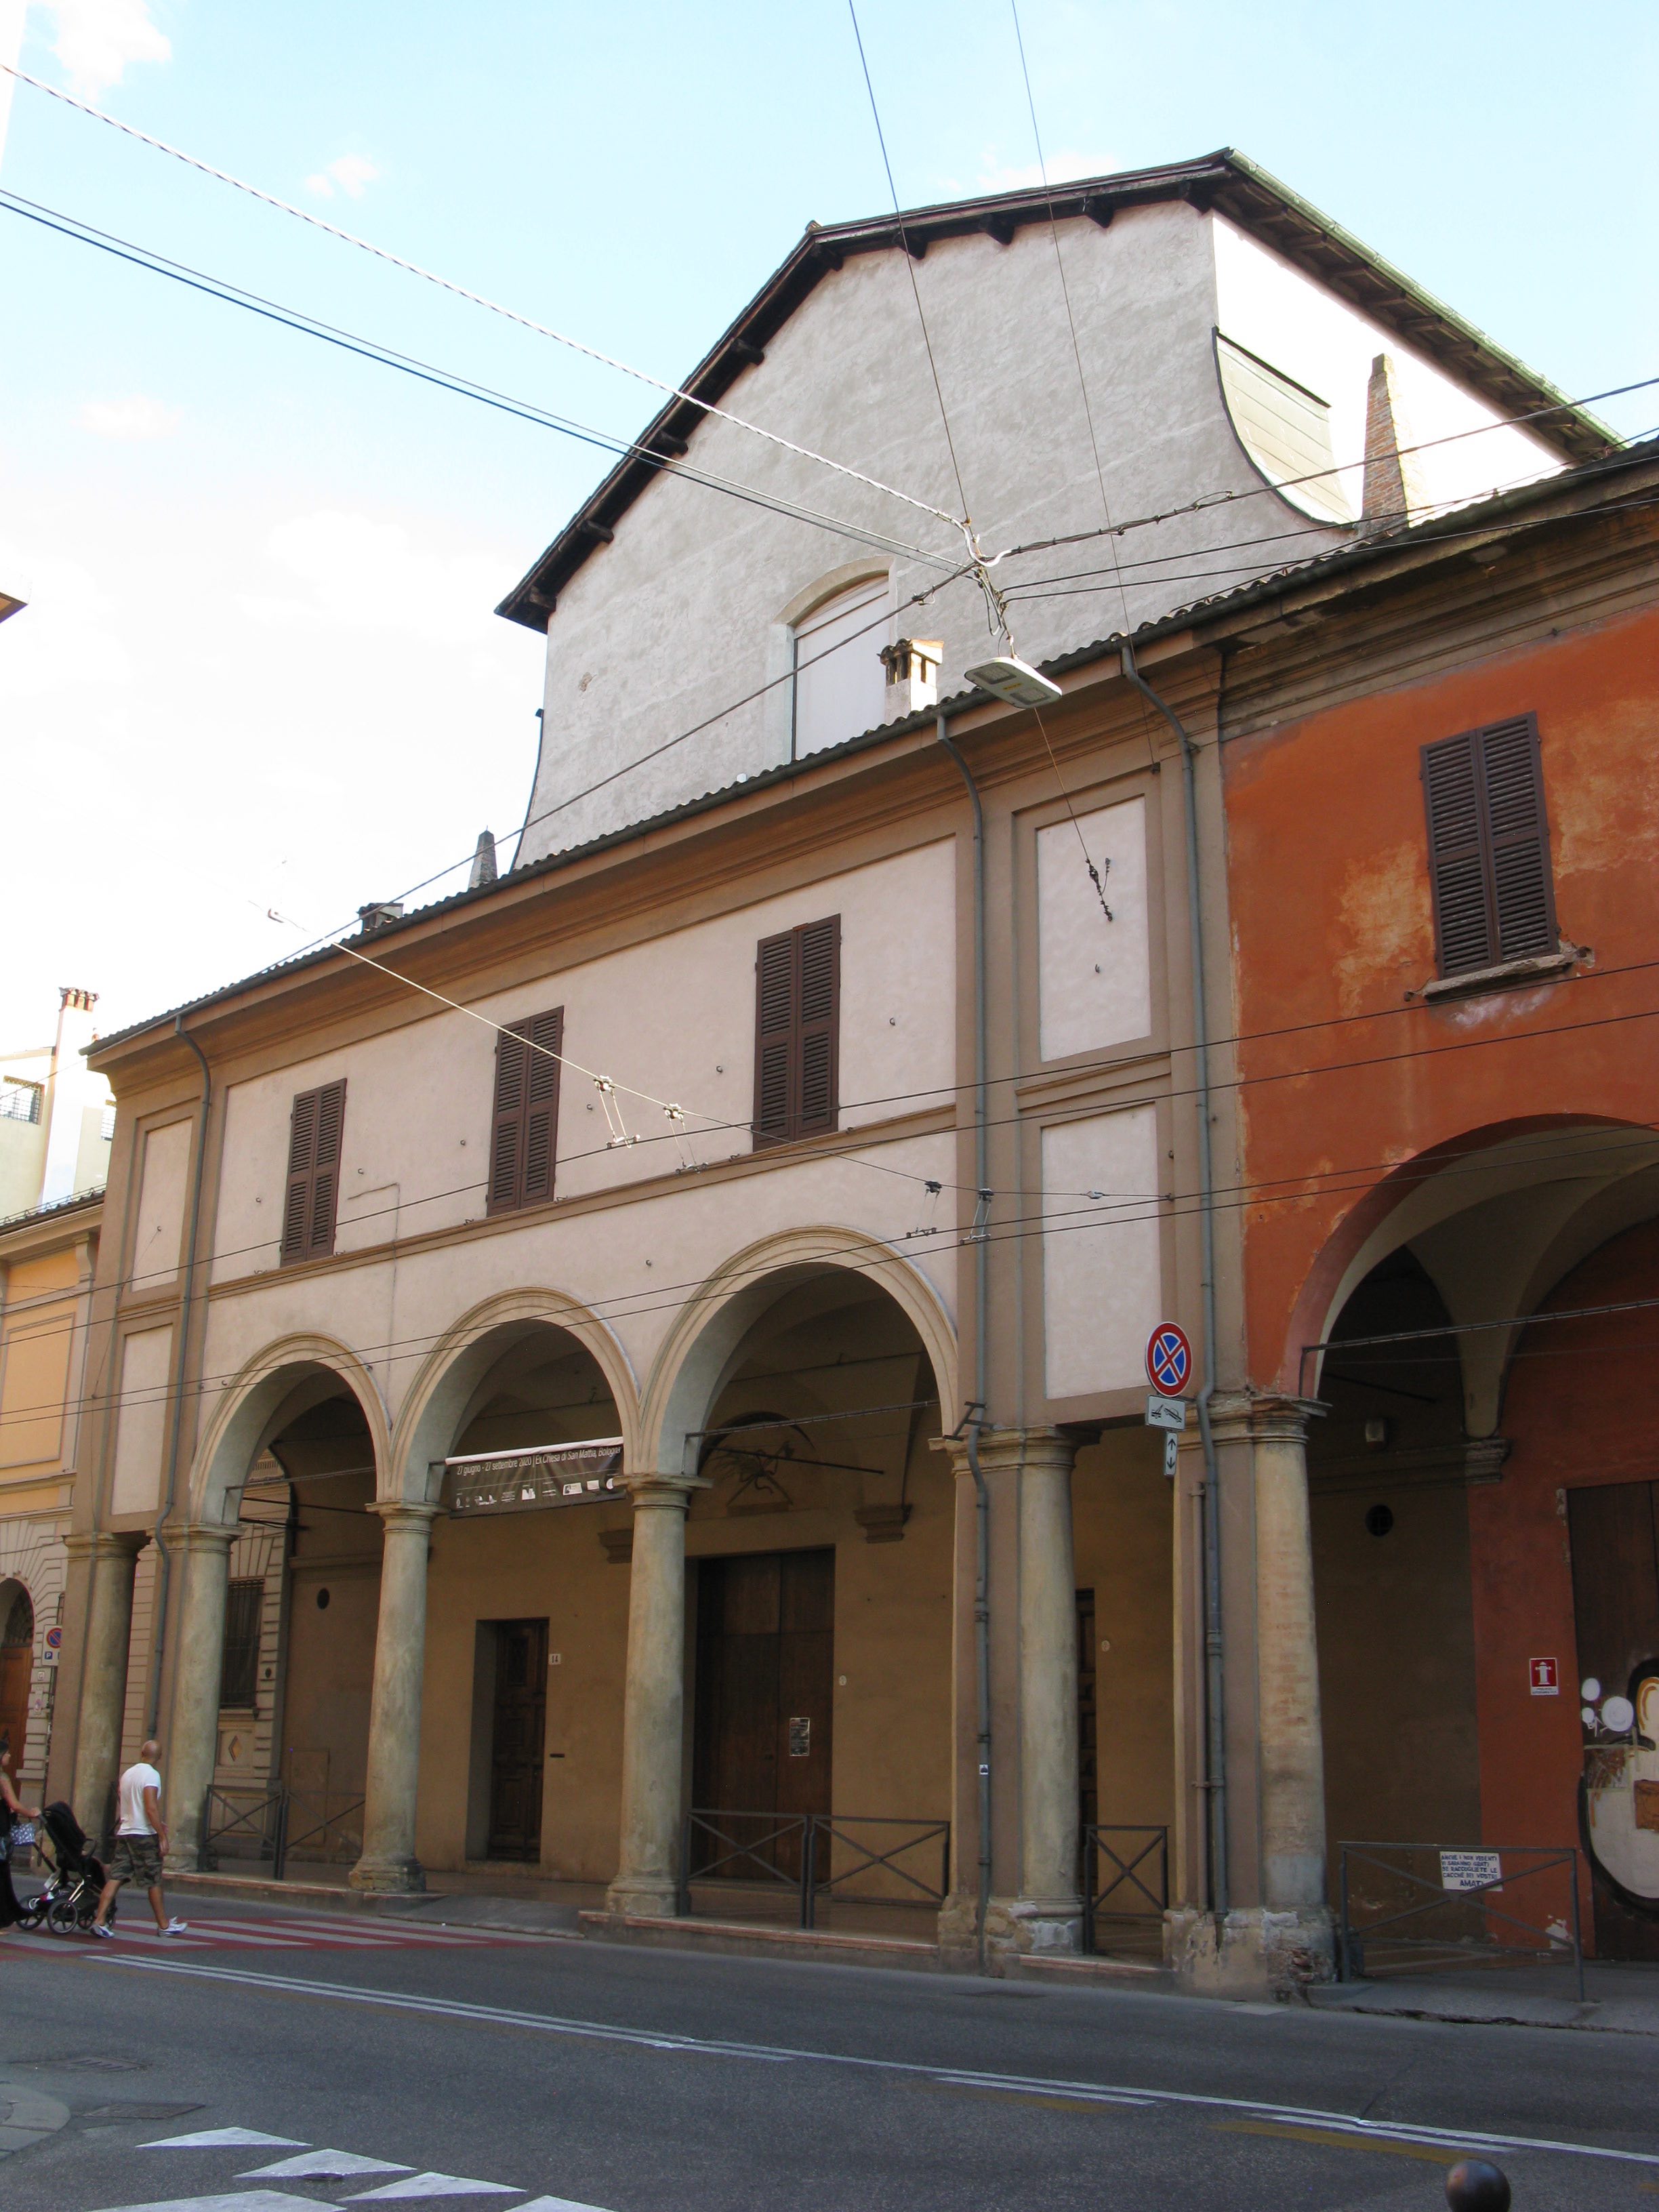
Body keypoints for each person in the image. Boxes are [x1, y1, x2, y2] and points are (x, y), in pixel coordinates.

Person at [91, 1738, 187, 1938]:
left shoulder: (127, 1774)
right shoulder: (152, 1775)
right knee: (153, 1879)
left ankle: (99, 1920)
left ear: (141, 1753)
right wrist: (161, 1835)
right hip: (144, 1834)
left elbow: (127, 1801)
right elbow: (150, 1806)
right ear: (158, 1757)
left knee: (116, 1877)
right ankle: (163, 1925)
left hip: (126, 1831)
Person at [0, 1731, 42, 1936]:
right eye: (7, 1754)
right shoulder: (2, 1777)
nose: (9, 1757)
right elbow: (14, 1804)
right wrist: (31, 1813)